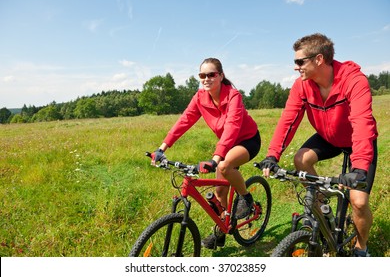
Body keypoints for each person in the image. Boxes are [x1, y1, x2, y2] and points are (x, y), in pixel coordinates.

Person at [258, 33, 378, 257]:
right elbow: (288, 120)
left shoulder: (354, 80)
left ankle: (362, 248)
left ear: (319, 59)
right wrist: (272, 155)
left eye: (300, 61)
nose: (296, 67)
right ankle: (324, 211)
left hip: (356, 141)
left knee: (358, 201)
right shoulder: (301, 86)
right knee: (300, 159)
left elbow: (362, 123)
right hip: (328, 137)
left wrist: (360, 168)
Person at [151, 57, 261, 249]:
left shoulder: (233, 96)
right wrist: (162, 148)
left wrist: (215, 159)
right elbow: (184, 121)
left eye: (211, 74)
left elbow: (232, 127)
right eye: (202, 75)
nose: (206, 79)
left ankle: (246, 198)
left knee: (225, 166)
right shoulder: (200, 98)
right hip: (226, 146)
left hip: (247, 140)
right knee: (219, 193)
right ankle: (220, 232)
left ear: (221, 76)